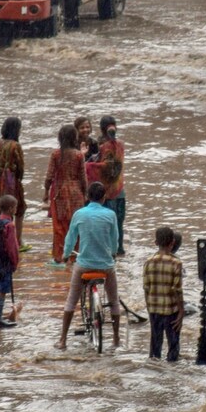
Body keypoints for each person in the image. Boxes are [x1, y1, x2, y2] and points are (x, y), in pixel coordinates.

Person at [56, 182, 120, 350]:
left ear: (87, 197)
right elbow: (115, 241)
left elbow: (70, 239)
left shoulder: (79, 214)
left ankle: (62, 340)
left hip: (84, 265)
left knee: (71, 300)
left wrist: (65, 255)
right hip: (106, 265)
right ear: (104, 197)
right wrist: (112, 254)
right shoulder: (111, 215)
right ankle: (116, 339)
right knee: (113, 300)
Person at [44, 124, 87, 267]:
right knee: (76, 225)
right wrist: (85, 194)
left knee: (60, 226)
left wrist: (45, 192)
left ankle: (59, 257)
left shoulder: (56, 154)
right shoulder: (79, 155)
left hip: (60, 193)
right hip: (76, 193)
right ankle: (75, 256)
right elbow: (83, 177)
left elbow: (49, 176)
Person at [143, 226, 185, 362]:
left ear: (156, 243)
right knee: (173, 346)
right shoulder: (176, 263)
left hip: (154, 309)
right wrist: (181, 311)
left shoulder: (148, 262)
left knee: (155, 347)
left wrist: (149, 308)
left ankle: (154, 370)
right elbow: (177, 290)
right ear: (173, 243)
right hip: (171, 310)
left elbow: (146, 288)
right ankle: (172, 370)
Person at [0, 117, 30, 252]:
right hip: (11, 182)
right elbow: (21, 166)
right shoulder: (15, 145)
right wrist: (19, 178)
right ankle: (17, 241)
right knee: (19, 209)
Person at [88, 115, 126, 257]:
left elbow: (103, 167)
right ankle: (119, 249)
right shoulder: (121, 144)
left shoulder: (100, 145)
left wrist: (89, 164)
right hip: (120, 189)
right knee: (119, 222)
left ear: (101, 128)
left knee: (107, 223)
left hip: (106, 193)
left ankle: (108, 250)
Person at [0, 194, 22, 328]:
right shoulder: (9, 225)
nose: (16, 210)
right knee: (2, 289)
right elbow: (12, 246)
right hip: (5, 263)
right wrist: (15, 262)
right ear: (10, 209)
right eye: (15, 207)